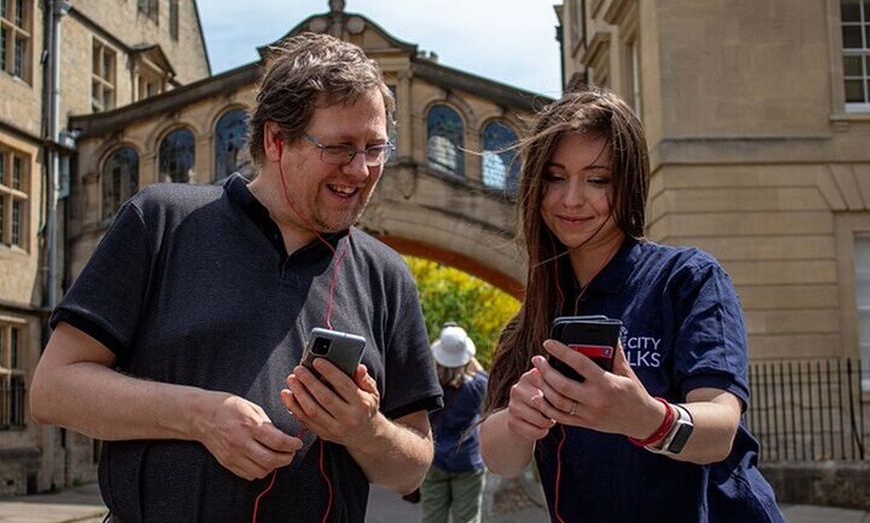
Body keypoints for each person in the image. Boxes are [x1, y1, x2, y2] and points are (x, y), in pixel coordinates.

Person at [29, 32, 442, 523]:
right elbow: (53, 390)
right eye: (340, 147)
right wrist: (200, 417)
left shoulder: (386, 274)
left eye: (375, 148)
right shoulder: (163, 220)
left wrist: (364, 428)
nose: (361, 169)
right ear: (275, 139)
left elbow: (411, 470)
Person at [478, 86, 786, 523]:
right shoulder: (531, 319)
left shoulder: (686, 279)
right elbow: (499, 459)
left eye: (598, 179)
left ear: (630, 183)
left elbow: (719, 430)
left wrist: (646, 418)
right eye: (555, 176)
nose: (571, 199)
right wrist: (518, 420)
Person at [419, 322, 488, 523]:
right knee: (466, 519)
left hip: (435, 458)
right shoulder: (477, 387)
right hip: (467, 460)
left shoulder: (428, 388)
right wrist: (463, 352)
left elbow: (425, 365)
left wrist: (437, 349)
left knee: (432, 518)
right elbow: (482, 373)